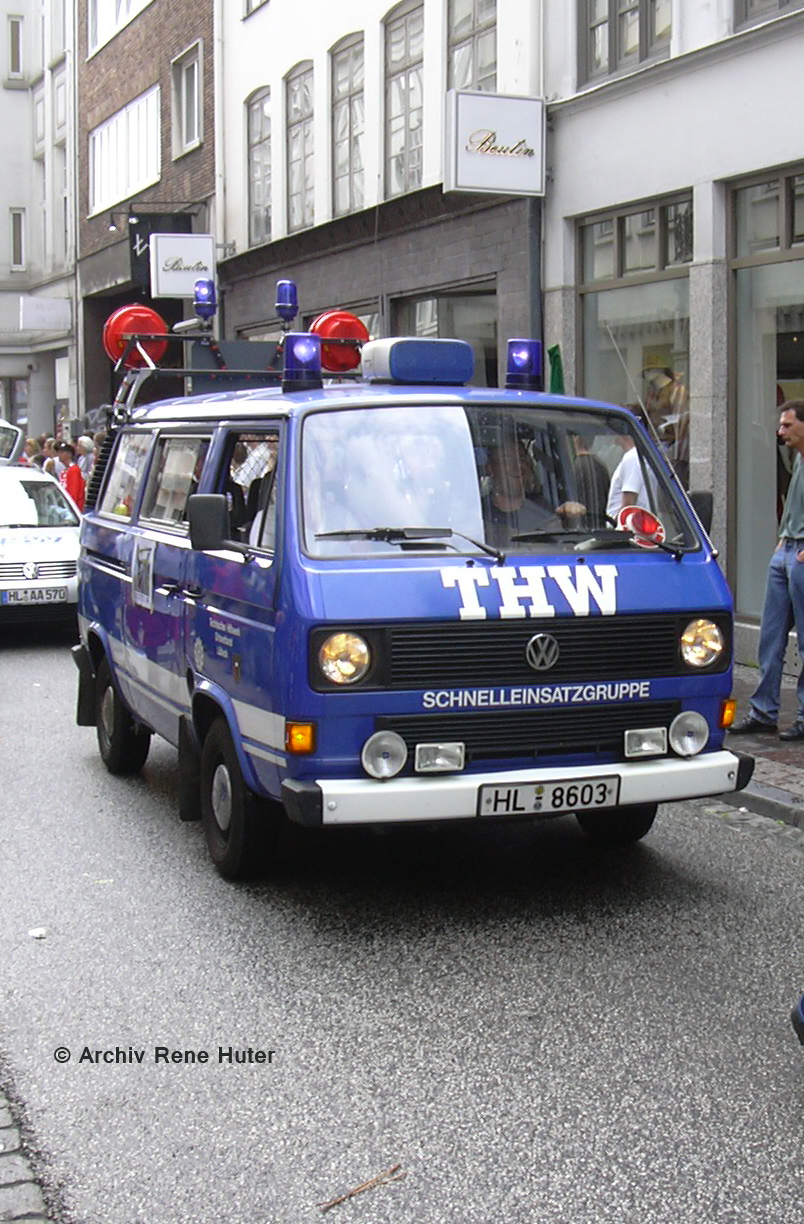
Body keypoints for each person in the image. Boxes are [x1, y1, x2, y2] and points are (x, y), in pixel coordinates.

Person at [730, 400, 804, 740]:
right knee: (770, 638)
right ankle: (763, 711)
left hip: (799, 554)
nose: (780, 431)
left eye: (788, 425)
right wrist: (782, 540)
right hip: (786, 550)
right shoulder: (797, 458)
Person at [483, 437, 584, 547]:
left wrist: (571, 519)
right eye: (508, 460)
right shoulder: (479, 513)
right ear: (490, 468)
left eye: (522, 459)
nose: (518, 466)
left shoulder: (547, 512)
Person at [606, 409, 654, 520]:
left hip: (627, 527)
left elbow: (628, 505)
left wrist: (618, 524)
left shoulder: (633, 457)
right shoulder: (638, 456)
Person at [571, 430, 609, 528]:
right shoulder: (601, 466)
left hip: (580, 528)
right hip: (601, 527)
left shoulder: (573, 468)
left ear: (576, 438)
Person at [56, 441, 85, 512]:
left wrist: (71, 508)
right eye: (58, 452)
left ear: (69, 454)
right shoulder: (65, 471)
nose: (59, 454)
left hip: (72, 509)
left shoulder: (74, 470)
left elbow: (73, 492)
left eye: (61, 452)